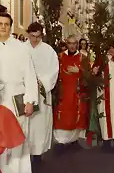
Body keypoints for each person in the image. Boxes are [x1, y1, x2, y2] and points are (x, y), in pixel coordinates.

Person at [0, 12, 38, 173]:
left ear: (10, 27)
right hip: (0, 101)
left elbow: (30, 76)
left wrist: (30, 101)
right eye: (0, 24)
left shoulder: (21, 48)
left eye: (6, 24)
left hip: (16, 98)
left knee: (17, 140)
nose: (3, 27)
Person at [25, 22, 59, 170]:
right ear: (28, 35)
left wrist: (41, 82)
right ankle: (24, 155)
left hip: (42, 93)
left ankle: (38, 154)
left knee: (39, 124)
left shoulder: (49, 51)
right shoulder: (22, 49)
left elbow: (54, 71)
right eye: (32, 36)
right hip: (25, 93)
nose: (35, 40)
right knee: (27, 125)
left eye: (38, 37)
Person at [53, 35, 89, 152]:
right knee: (62, 117)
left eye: (74, 43)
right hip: (63, 93)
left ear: (77, 45)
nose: (72, 45)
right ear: (66, 44)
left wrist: (80, 71)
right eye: (70, 43)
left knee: (76, 117)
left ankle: (73, 140)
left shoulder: (82, 58)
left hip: (76, 93)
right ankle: (60, 141)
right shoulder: (60, 57)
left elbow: (89, 77)